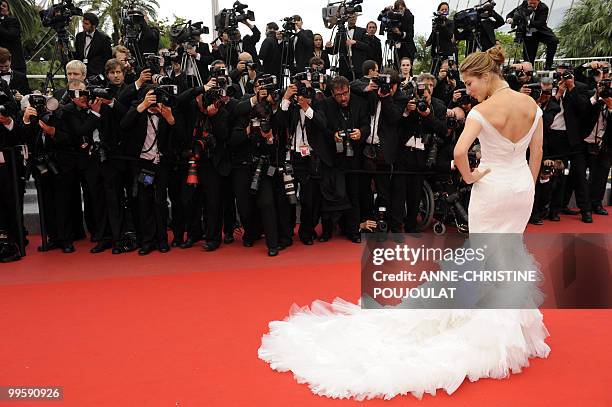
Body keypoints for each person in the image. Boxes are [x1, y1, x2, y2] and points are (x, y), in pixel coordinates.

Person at [258, 47, 551, 399]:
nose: (469, 90)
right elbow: (537, 153)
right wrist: (527, 186)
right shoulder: (532, 105)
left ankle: (481, 323)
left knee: (484, 253)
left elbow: (459, 153)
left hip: (491, 188)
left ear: (486, 75)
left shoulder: (483, 111)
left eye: (470, 82)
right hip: (520, 188)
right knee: (507, 254)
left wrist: (471, 178)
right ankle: (504, 325)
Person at [506, 0, 558, 70]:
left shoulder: (543, 7)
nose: (532, 5)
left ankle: (548, 65)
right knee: (529, 58)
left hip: (540, 31)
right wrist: (510, 19)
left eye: (534, 3)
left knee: (553, 40)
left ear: (538, 1)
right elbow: (511, 14)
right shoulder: (524, 5)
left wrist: (527, 22)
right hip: (528, 33)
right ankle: (528, 74)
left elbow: (540, 23)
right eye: (530, 3)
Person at [74, 13, 113, 77]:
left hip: (96, 74)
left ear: (94, 25)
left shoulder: (104, 39)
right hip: (81, 73)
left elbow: (108, 59)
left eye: (86, 24)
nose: (83, 25)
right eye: (83, 23)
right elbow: (77, 54)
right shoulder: (79, 36)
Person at [0, 0, 26, 74]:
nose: (1, 7)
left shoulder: (13, 21)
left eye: (4, 6)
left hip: (14, 65)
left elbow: (11, 35)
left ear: (8, 11)